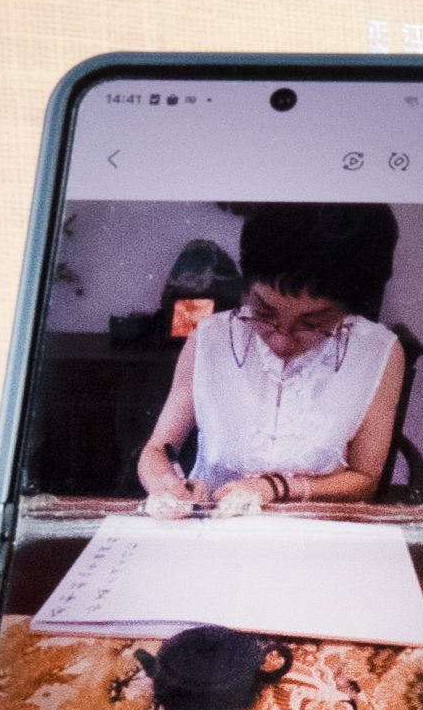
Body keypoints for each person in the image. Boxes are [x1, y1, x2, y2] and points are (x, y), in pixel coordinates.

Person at [137, 204, 407, 515]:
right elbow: (157, 450)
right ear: (246, 290)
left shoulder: (377, 351)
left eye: (312, 323)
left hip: (312, 531)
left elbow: (365, 479)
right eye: (264, 313)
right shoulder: (210, 338)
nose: (281, 339)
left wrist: (274, 488)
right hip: (211, 527)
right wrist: (167, 487)